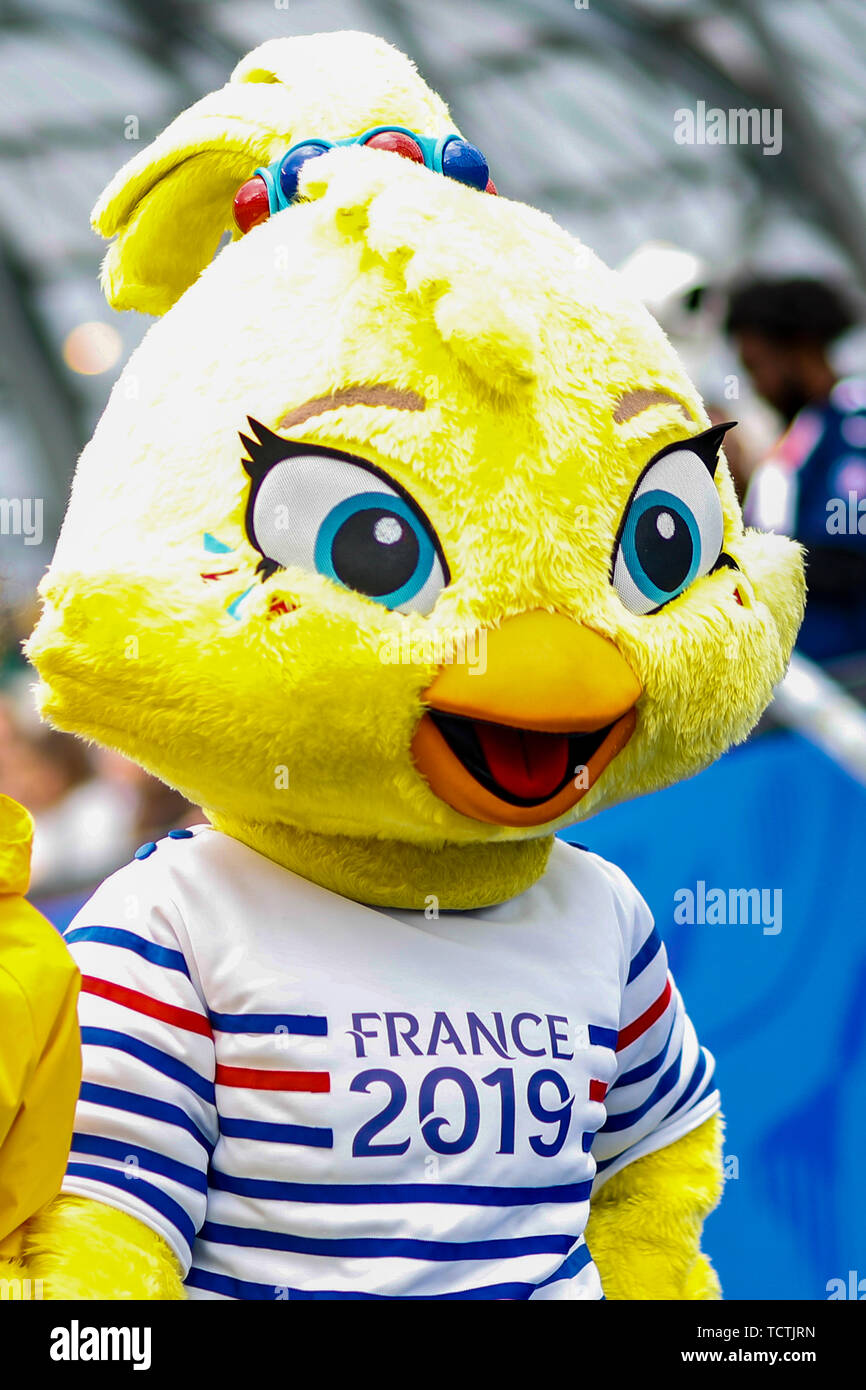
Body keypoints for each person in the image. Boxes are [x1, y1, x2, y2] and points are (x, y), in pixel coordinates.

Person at [726, 277, 866, 664]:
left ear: (799, 348)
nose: (755, 385)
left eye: (756, 365)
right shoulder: (801, 432)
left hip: (849, 673)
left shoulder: (853, 421)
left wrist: (731, 564)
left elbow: (847, 554)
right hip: (801, 679)